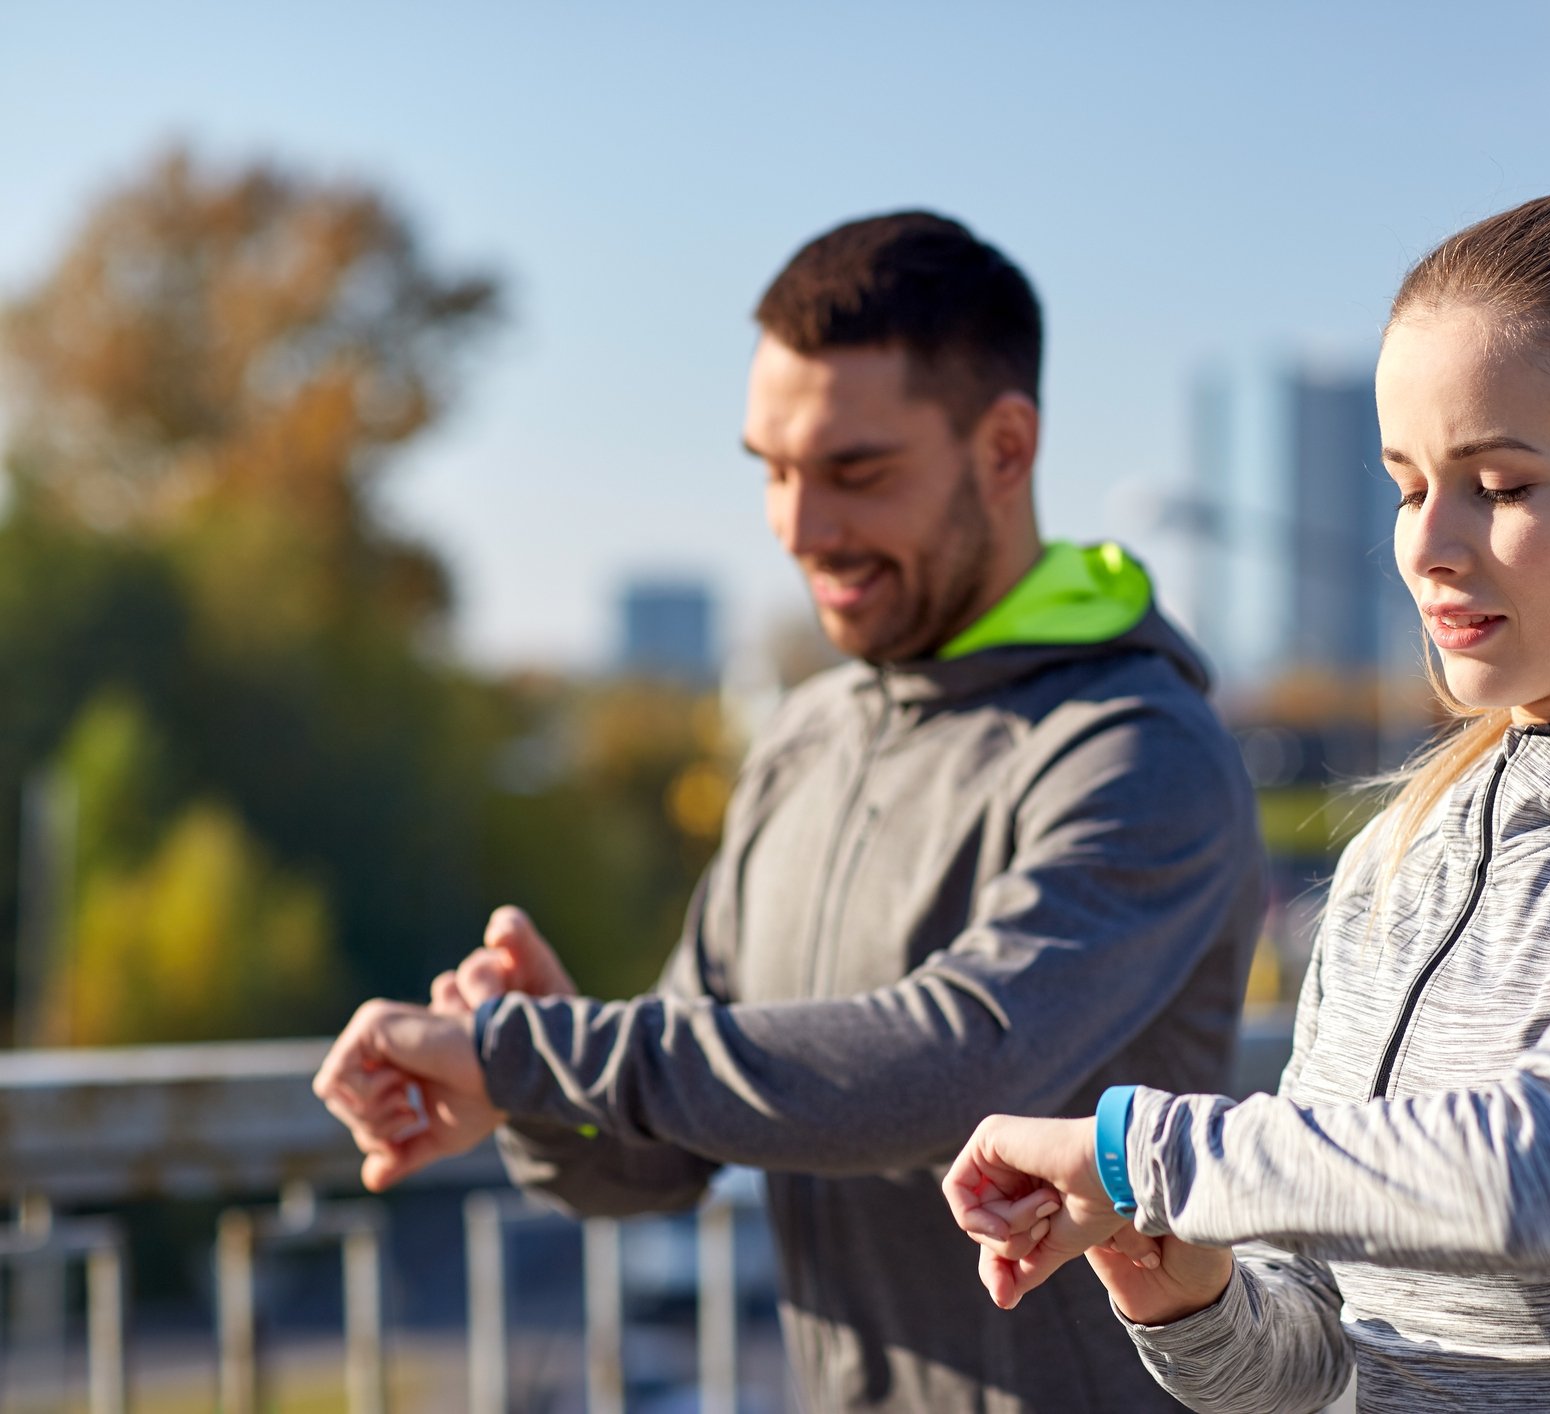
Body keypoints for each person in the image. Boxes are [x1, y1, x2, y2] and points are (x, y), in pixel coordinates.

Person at [945, 192, 1550, 1413]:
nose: (1427, 545)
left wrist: (1141, 1152)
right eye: (1408, 485)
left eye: (1501, 486)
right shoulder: (1397, 855)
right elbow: (1309, 1360)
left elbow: (1542, 1174)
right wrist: (1189, 1293)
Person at [313, 210, 1266, 1414]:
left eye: (855, 472)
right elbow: (656, 1165)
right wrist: (542, 1088)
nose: (801, 528)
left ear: (1004, 448)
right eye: (771, 468)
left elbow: (956, 1067)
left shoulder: (1138, 748)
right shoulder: (805, 740)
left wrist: (540, 1052)